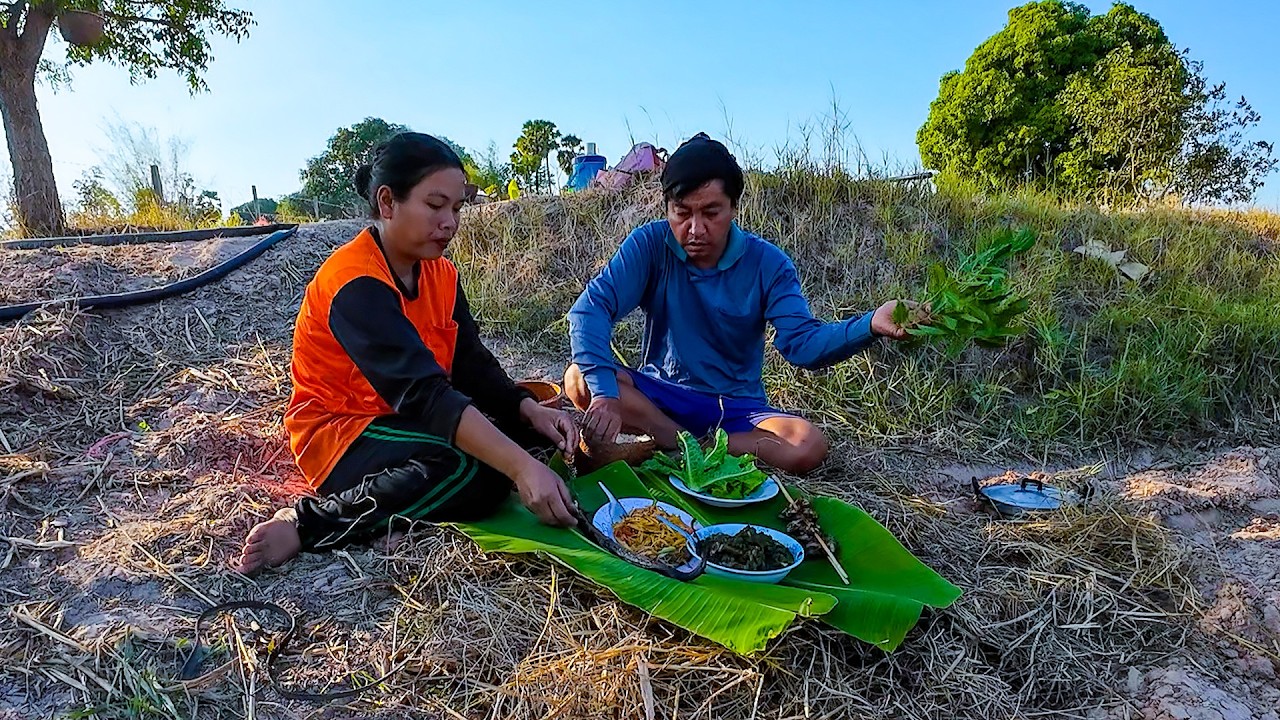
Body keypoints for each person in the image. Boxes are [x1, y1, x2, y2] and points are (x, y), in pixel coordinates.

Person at [237, 133, 579, 574]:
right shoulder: (354, 282)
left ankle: (402, 512)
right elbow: (424, 393)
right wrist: (520, 468)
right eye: (435, 205)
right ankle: (309, 524)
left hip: (405, 418)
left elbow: (470, 364)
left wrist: (527, 409)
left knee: (529, 437)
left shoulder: (441, 274)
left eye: (456, 208)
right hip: (345, 430)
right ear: (387, 202)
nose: (450, 222)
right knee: (477, 472)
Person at [565, 133, 920, 476]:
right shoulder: (649, 245)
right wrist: (605, 395)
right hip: (661, 396)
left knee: (806, 445)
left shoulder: (769, 264)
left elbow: (802, 345)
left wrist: (872, 323)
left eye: (711, 213)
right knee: (580, 379)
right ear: (667, 208)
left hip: (735, 408)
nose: (695, 229)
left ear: (734, 207)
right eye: (682, 213)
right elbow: (590, 310)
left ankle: (690, 447)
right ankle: (676, 440)